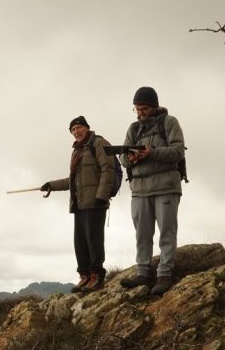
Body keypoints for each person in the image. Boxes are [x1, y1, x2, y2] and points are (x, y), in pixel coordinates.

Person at [118, 86, 186, 296]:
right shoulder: (133, 129)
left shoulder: (169, 122)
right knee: (142, 234)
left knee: (167, 231)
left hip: (166, 187)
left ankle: (165, 274)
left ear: (154, 106)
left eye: (144, 108)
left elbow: (177, 151)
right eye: (137, 109)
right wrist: (130, 158)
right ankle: (143, 273)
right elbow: (122, 158)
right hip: (139, 189)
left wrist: (152, 153)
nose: (140, 113)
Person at [41, 116, 116, 293]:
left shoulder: (99, 143)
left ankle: (97, 276)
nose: (76, 132)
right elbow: (73, 181)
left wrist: (101, 196)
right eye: (73, 130)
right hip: (80, 204)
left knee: (94, 241)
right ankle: (85, 275)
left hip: (95, 202)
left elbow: (108, 169)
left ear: (87, 128)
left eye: (79, 128)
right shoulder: (77, 151)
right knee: (80, 242)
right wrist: (51, 185)